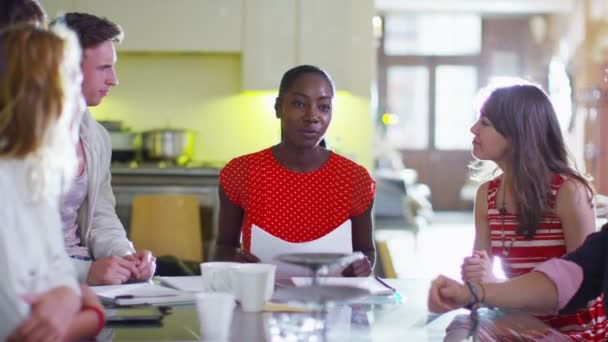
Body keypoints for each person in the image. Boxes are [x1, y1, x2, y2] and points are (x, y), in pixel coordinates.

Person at [459, 80, 601, 337]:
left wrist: (494, 288)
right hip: (520, 324)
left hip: (572, 332)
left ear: (517, 133)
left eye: (485, 123)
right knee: (461, 325)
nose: (473, 129)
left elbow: (586, 293)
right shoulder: (486, 195)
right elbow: (481, 282)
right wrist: (476, 275)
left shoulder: (568, 192)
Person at [215, 65, 376, 277]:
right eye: (299, 104)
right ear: (278, 108)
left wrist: (362, 265)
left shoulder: (355, 179)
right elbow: (223, 247)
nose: (312, 116)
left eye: (324, 107)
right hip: (261, 301)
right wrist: (234, 260)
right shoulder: (241, 173)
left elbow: (366, 251)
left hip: (332, 305)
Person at [0, 24, 104, 341]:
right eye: (73, 81)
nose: (81, 103)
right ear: (41, 95)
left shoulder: (33, 175)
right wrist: (92, 311)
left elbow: (57, 267)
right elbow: (20, 328)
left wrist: (71, 296)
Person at [49, 12, 156, 285]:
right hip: (41, 280)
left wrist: (125, 257)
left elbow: (101, 217)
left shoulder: (97, 137)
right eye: (103, 68)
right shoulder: (19, 137)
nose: (114, 80)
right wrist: (86, 274)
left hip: (85, 275)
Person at [429, 226, 608, 336]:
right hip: (523, 320)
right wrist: (473, 292)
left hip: (565, 331)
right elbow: (565, 280)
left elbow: (580, 300)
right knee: (465, 325)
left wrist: (486, 286)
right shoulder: (602, 244)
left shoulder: (569, 190)